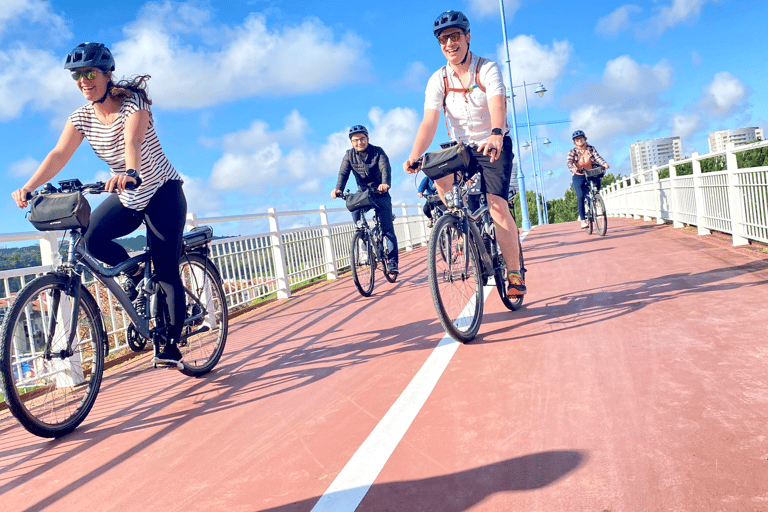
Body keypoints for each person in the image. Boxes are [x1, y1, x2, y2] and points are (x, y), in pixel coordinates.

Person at [11, 42, 187, 366]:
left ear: (107, 74)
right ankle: (134, 274)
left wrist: (130, 171)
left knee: (165, 269)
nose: (83, 80)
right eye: (77, 75)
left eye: (90, 72)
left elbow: (132, 140)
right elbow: (59, 154)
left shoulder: (134, 105)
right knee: (91, 239)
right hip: (129, 195)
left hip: (162, 191)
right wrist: (29, 186)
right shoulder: (81, 117)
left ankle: (170, 342)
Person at [403, 10, 524, 297]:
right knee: (439, 178)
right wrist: (414, 155)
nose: (449, 43)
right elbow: (429, 121)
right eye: (443, 39)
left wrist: (496, 133)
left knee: (497, 206)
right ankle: (460, 223)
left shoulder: (488, 69)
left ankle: (515, 274)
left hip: (493, 143)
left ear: (467, 37)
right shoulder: (438, 80)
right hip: (462, 148)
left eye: (455, 36)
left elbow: (498, 102)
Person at [332, 125, 398, 274]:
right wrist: (338, 189)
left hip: (381, 193)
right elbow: (343, 174)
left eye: (362, 139)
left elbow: (385, 168)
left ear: (367, 139)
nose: (359, 142)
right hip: (364, 193)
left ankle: (392, 262)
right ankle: (362, 233)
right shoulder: (349, 155)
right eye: (355, 140)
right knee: (353, 205)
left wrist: (385, 183)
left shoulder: (378, 152)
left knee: (387, 230)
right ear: (351, 142)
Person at [566, 130, 610, 229]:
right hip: (579, 175)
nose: (580, 140)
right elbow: (569, 162)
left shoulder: (591, 149)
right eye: (577, 139)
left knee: (596, 185)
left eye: (581, 138)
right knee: (580, 196)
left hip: (591, 173)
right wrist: (572, 168)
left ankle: (596, 199)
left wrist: (604, 164)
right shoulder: (572, 152)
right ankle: (583, 220)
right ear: (574, 142)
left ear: (585, 139)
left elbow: (598, 157)